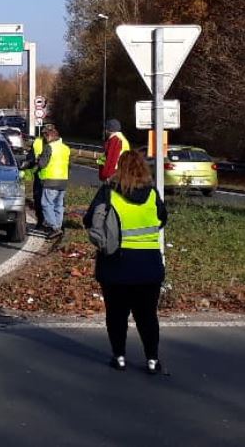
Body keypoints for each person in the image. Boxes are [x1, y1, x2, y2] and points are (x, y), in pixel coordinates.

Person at [84, 150, 167, 374]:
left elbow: (89, 219)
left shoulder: (109, 192)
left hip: (116, 264)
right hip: (149, 264)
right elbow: (162, 219)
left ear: (120, 168)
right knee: (147, 315)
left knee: (117, 314)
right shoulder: (151, 194)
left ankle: (119, 356)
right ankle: (152, 359)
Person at [36, 126, 70, 239]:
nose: (44, 138)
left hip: (51, 181)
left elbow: (42, 164)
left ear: (49, 135)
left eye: (45, 135)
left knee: (46, 204)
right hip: (63, 181)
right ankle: (58, 226)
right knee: (58, 204)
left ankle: (54, 227)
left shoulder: (49, 147)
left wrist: (38, 159)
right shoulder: (66, 148)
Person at [19, 123, 55, 228]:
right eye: (44, 133)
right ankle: (41, 221)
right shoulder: (37, 142)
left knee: (51, 202)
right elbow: (30, 158)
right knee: (38, 200)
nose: (46, 135)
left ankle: (52, 225)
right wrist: (26, 165)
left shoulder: (57, 144)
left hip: (53, 177)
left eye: (48, 132)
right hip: (40, 176)